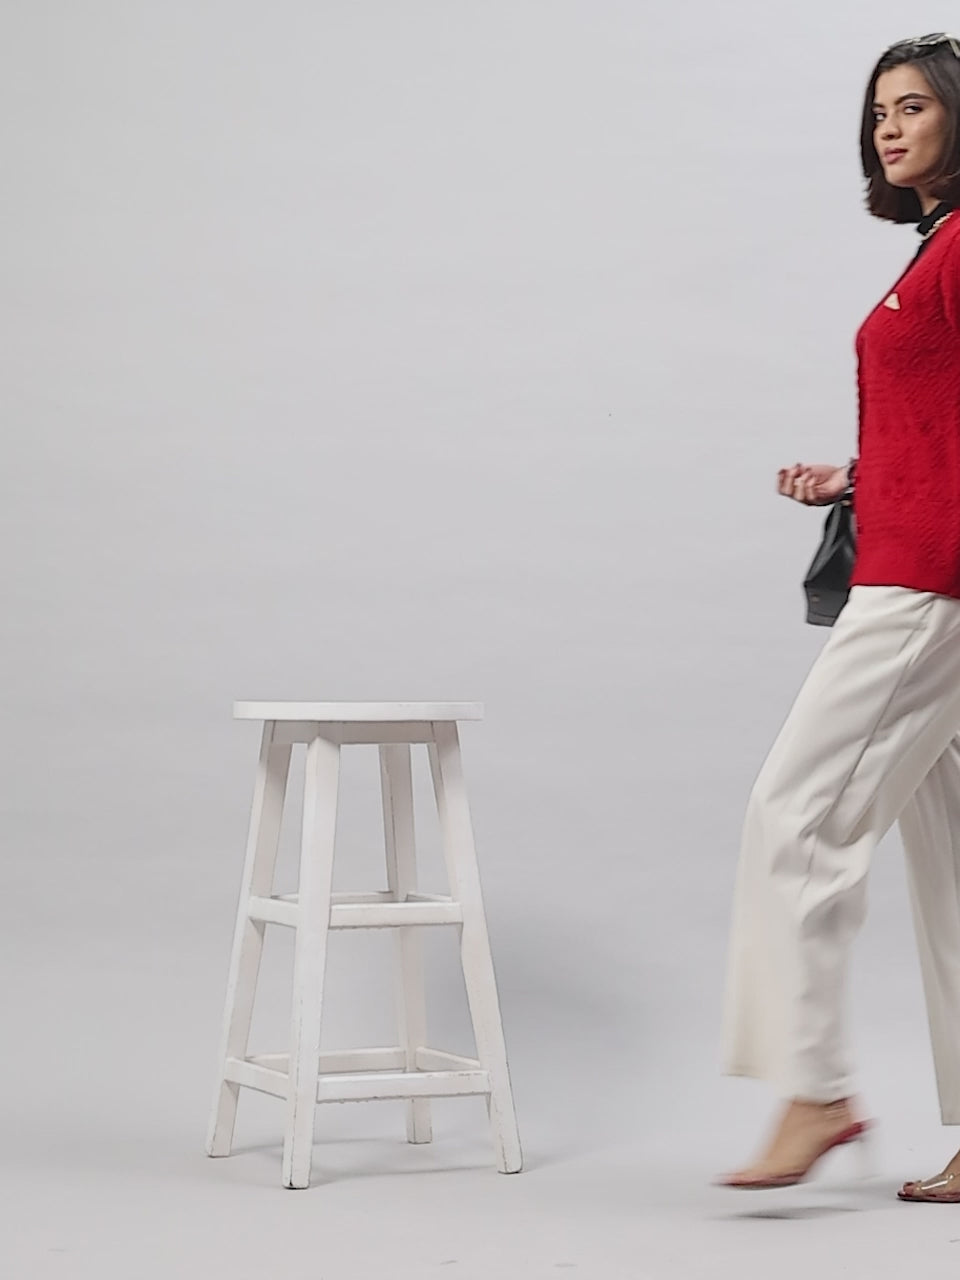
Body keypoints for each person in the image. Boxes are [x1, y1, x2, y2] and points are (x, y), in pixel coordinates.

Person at [718, 33, 960, 1204]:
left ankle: (814, 1085)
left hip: (932, 582)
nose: (890, 128)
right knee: (954, 863)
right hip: (920, 560)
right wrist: (859, 478)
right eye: (878, 113)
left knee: (796, 813)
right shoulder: (937, 245)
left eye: (913, 106)